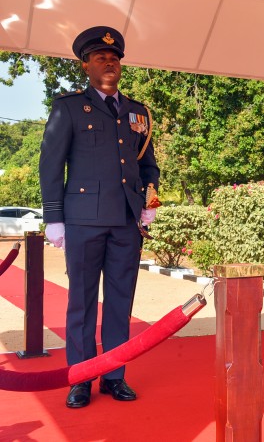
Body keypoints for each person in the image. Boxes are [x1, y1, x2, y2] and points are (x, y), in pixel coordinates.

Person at [39, 26, 160, 408]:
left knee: (121, 302)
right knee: (82, 303)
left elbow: (148, 165)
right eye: (100, 57)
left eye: (114, 58)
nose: (109, 63)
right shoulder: (69, 107)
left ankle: (114, 375)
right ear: (86, 65)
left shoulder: (138, 112)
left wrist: (149, 201)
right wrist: (54, 217)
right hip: (83, 221)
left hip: (126, 221)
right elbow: (50, 165)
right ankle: (80, 378)